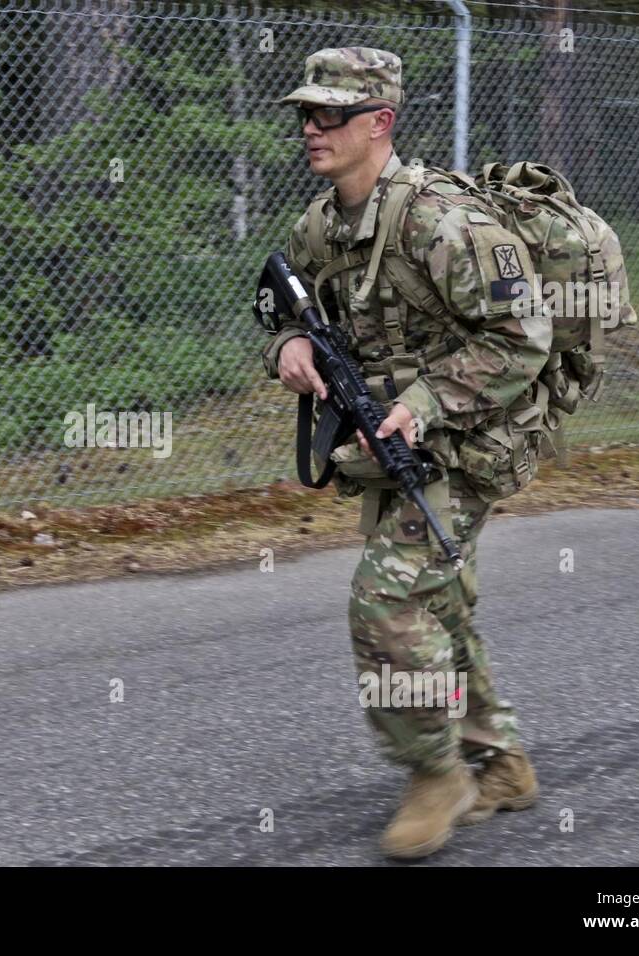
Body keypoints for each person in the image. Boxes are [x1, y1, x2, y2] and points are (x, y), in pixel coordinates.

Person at [262, 47, 544, 860]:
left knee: (386, 602)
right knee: (441, 602)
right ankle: (501, 763)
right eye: (305, 116)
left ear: (379, 123)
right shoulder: (319, 226)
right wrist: (289, 346)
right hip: (386, 446)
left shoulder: (441, 223)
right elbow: (288, 311)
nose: (311, 130)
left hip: (470, 440)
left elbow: (520, 338)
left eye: (330, 116)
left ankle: (435, 771)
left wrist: (422, 406)